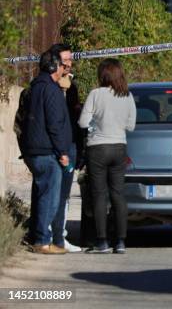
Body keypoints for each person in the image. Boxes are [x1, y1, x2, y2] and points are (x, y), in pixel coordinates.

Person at [79, 59, 136, 254]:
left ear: (103, 75)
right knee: (118, 194)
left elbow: (82, 122)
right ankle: (120, 242)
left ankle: (102, 241)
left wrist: (97, 122)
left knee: (99, 194)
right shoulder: (127, 96)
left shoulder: (95, 94)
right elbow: (131, 125)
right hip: (119, 147)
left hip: (97, 148)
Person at [20, 50, 72, 254]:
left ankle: (38, 236)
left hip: (34, 150)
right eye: (61, 65)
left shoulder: (35, 87)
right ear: (53, 67)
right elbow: (54, 124)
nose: (63, 68)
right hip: (47, 151)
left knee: (42, 195)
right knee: (49, 198)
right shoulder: (50, 90)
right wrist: (63, 152)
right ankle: (42, 240)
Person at [48, 44, 82, 253]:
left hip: (70, 145)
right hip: (54, 146)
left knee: (64, 194)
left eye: (70, 60)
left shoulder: (72, 86)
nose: (69, 64)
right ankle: (47, 235)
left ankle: (60, 235)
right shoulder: (48, 87)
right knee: (50, 192)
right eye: (65, 60)